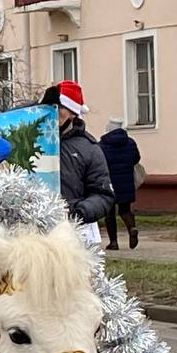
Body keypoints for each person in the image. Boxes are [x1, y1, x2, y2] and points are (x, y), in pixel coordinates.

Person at [40, 81, 114, 242]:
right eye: (48, 107)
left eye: (58, 108)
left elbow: (103, 194)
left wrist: (78, 213)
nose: (52, 113)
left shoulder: (89, 149)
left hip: (74, 235)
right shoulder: (31, 141)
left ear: (73, 113)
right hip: (32, 233)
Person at [100, 116, 142, 250]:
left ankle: (113, 242)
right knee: (125, 209)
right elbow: (136, 158)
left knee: (109, 213)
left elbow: (99, 162)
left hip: (109, 182)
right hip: (126, 181)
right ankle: (132, 228)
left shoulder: (103, 144)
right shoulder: (130, 142)